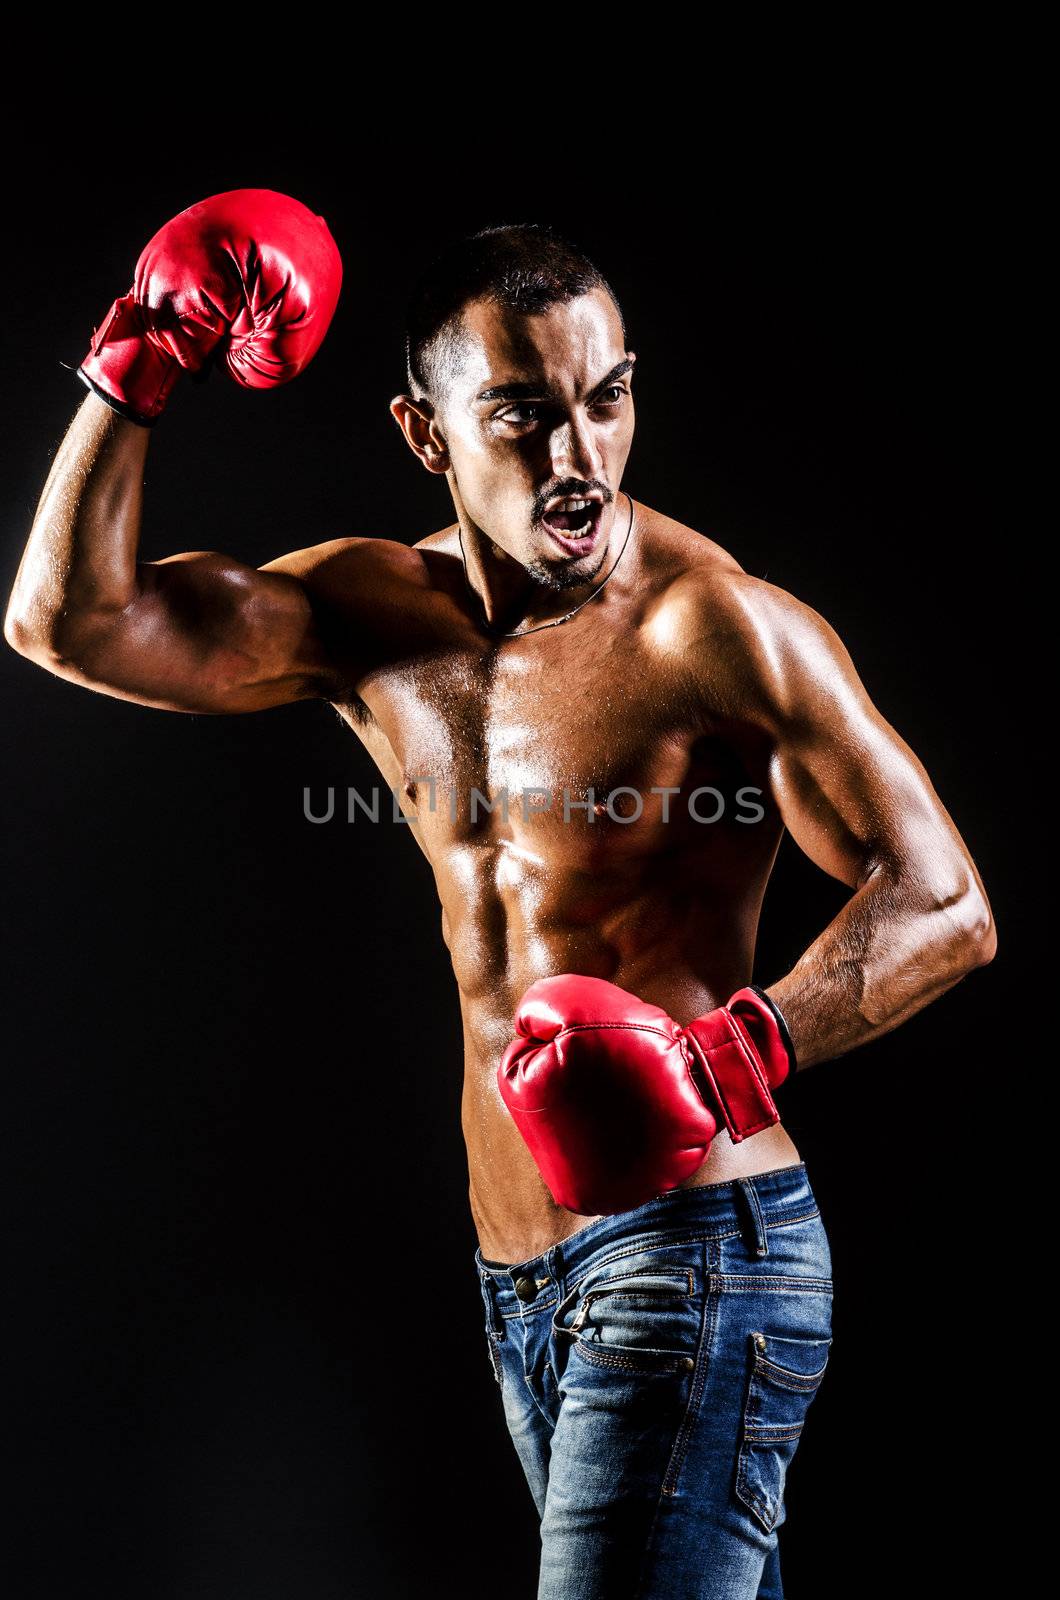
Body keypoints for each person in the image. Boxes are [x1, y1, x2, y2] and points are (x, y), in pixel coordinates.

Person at [4, 198, 996, 1599]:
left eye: (607, 400)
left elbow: (946, 901)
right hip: (518, 1290)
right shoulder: (369, 618)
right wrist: (141, 362)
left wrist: (725, 1057)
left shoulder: (711, 628)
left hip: (695, 1258)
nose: (580, 455)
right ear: (428, 435)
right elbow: (71, 624)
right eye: (526, 416)